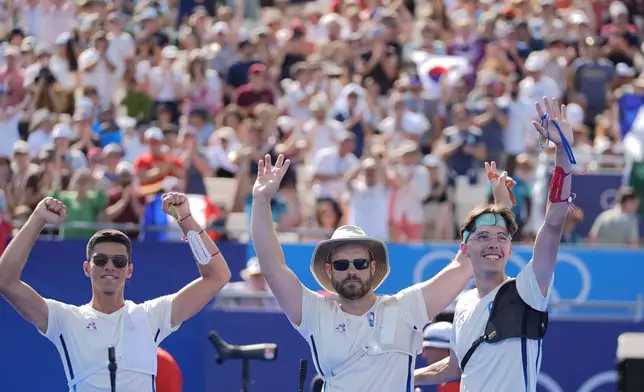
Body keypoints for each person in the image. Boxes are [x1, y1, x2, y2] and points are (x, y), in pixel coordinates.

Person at [250, 154, 510, 391]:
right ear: (329, 271)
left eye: (360, 263)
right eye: (342, 264)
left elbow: (463, 263)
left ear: (372, 267)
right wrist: (261, 200)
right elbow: (273, 268)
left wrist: (500, 208)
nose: (352, 270)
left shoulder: (406, 307)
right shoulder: (314, 312)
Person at [414, 97, 574, 391]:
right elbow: (455, 366)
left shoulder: (527, 289)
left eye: (502, 238)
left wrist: (562, 151)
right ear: (465, 248)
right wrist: (404, 377)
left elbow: (553, 224)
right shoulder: (463, 302)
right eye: (484, 237)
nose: (494, 244)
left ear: (510, 249)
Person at [0, 192, 231, 391]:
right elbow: (5, 281)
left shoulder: (151, 316)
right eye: (100, 260)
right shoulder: (65, 319)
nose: (109, 266)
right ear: (86, 268)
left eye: (119, 261)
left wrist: (187, 220)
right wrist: (37, 220)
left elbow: (217, 277)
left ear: (129, 270)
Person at [418, 322, 459, 392]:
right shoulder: (445, 383)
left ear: (448, 350)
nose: (424, 355)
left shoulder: (464, 382)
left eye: (428, 348)